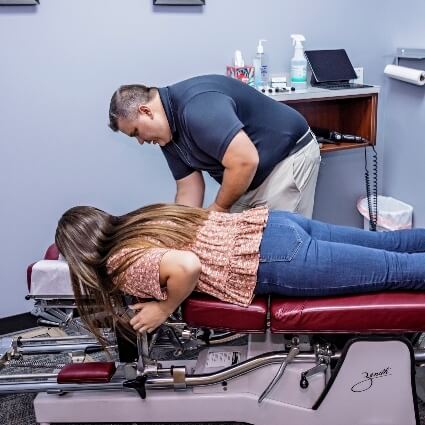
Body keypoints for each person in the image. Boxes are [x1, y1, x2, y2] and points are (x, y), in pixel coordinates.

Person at [56, 204, 425, 339]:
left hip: (275, 257)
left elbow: (187, 265)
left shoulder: (121, 264)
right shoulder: (137, 222)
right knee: (391, 247)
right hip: (276, 225)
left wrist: (164, 308)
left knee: (399, 270)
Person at [108, 74, 321, 217]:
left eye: (136, 132)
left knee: (283, 249)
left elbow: (245, 161)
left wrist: (218, 208)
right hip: (246, 179)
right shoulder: (167, 136)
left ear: (146, 111)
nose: (141, 141)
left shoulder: (196, 108)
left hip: (286, 159)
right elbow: (188, 188)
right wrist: (179, 230)